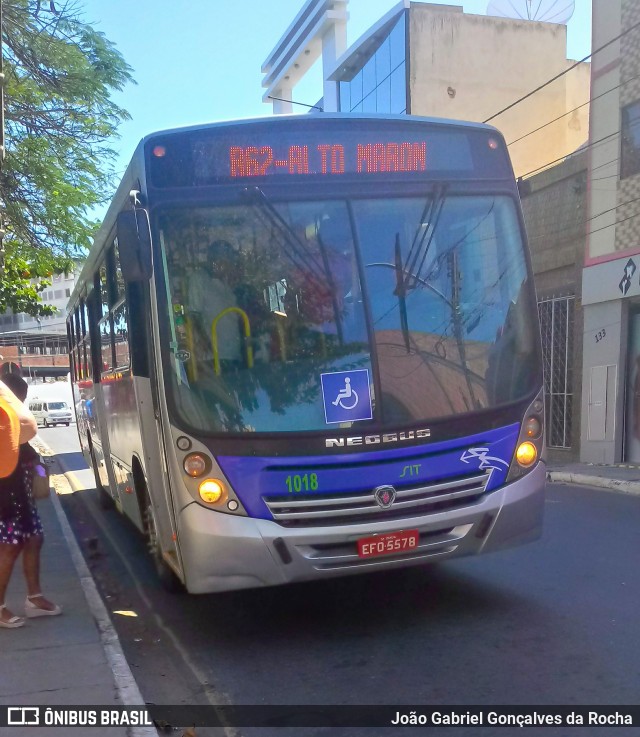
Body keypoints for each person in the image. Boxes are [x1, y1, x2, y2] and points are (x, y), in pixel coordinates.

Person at [0, 374, 61, 628]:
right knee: (10, 546)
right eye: (21, 399)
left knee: (34, 538)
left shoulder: (14, 428)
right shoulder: (5, 422)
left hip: (22, 496)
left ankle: (34, 599)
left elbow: (33, 461)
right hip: (6, 496)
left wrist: (39, 472)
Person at [186, 240, 243, 367]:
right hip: (212, 358)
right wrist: (203, 339)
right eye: (227, 261)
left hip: (233, 355)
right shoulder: (199, 279)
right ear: (216, 262)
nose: (230, 266)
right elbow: (194, 313)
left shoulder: (226, 285)